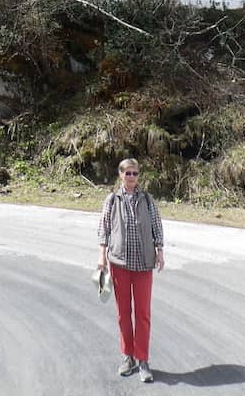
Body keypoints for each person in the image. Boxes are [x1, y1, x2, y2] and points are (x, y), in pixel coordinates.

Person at [97, 157, 164, 383]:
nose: (132, 177)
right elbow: (104, 229)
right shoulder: (112, 200)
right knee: (123, 313)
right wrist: (101, 257)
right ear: (120, 175)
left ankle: (143, 360)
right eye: (128, 173)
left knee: (143, 314)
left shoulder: (147, 200)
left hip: (144, 264)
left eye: (135, 173)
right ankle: (128, 357)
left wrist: (160, 251)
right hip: (119, 264)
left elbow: (157, 226)